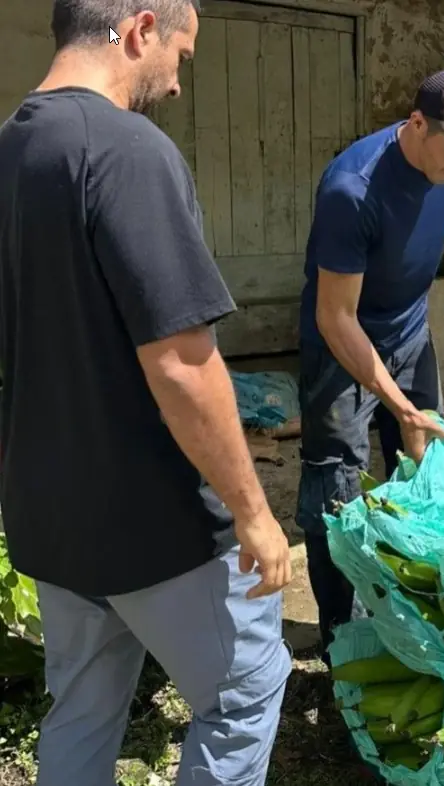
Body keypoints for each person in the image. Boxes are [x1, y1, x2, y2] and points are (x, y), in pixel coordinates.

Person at [0, 2, 293, 784]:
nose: (175, 83)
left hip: (47, 510)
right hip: (150, 522)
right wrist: (255, 512)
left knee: (84, 706)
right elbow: (182, 363)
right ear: (139, 29)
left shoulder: (11, 150)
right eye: (181, 57)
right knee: (245, 692)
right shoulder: (127, 152)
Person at [296, 65, 444, 662]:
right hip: (342, 347)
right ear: (417, 124)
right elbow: (334, 318)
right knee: (335, 492)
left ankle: (417, 608)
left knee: (428, 467)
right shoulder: (353, 189)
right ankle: (342, 637)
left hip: (410, 333)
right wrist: (398, 405)